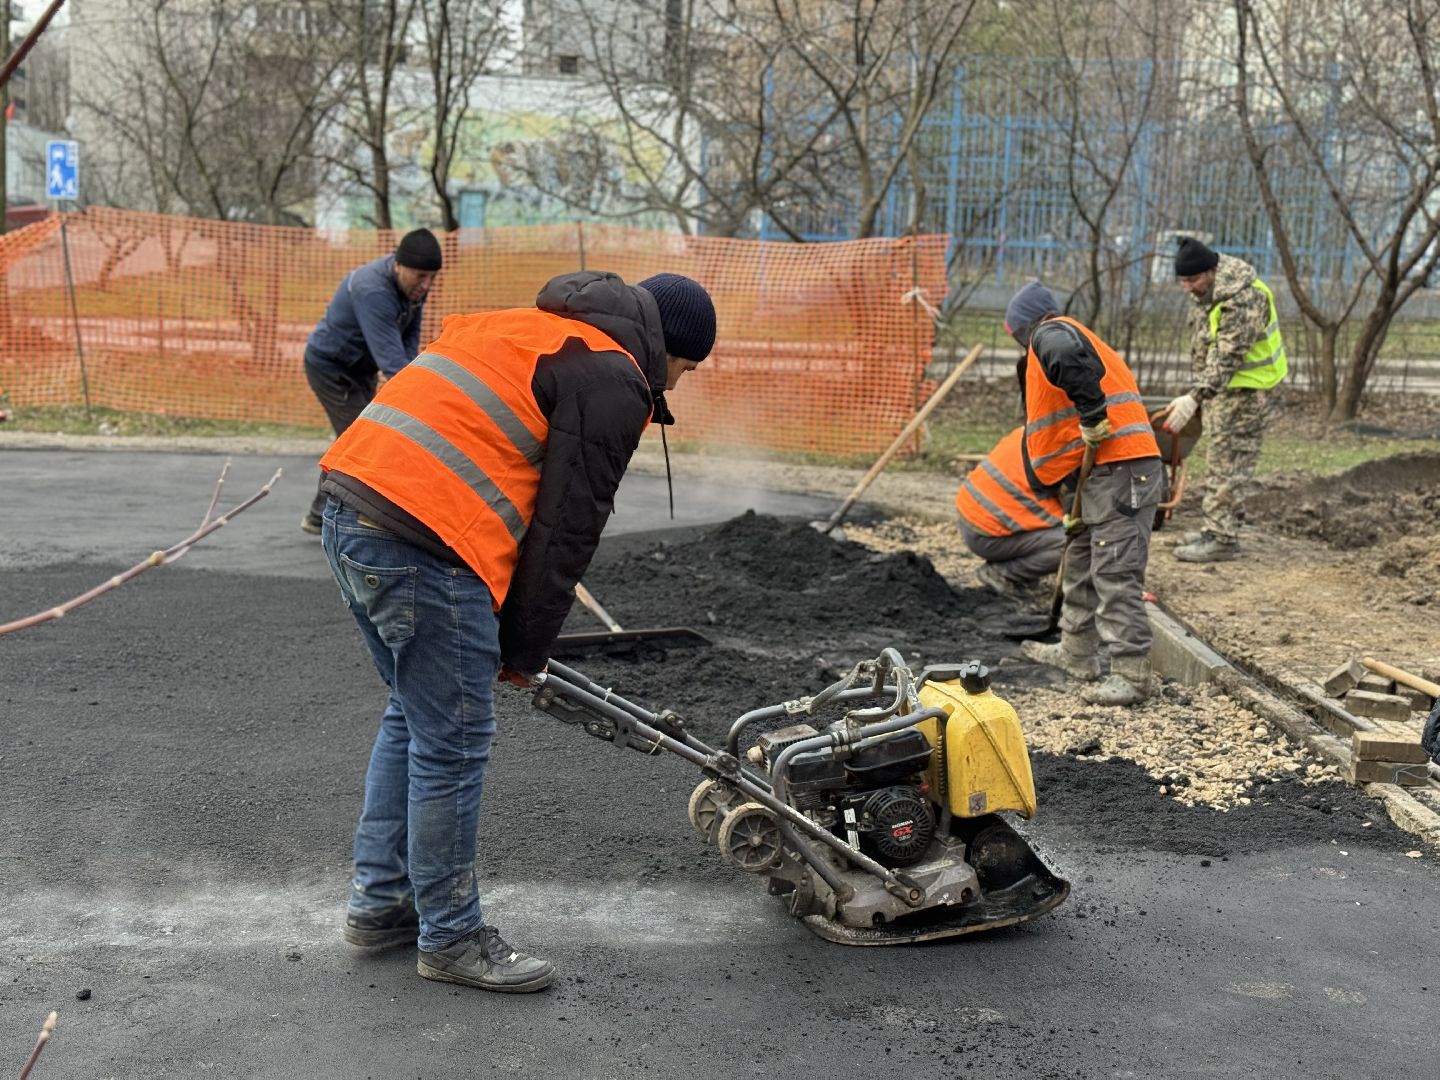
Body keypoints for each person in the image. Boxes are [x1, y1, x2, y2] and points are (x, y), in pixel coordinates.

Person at [317, 269, 715, 994]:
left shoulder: (527, 326)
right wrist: (522, 652)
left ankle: (383, 904)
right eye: (686, 369)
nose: (677, 388)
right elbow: (565, 532)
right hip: (421, 539)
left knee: (415, 716)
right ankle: (452, 937)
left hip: (350, 508)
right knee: (455, 741)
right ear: (671, 349)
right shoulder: (613, 377)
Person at [1003, 283, 1166, 706]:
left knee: (1114, 571)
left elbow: (1066, 358)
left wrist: (1093, 414)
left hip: (1121, 468)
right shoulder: (1061, 336)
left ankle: (1131, 674)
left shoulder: (1051, 332)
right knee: (1079, 561)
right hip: (1095, 475)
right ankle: (1077, 652)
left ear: (1025, 327)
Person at [300, 229, 444, 535]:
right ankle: (336, 518)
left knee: (354, 438)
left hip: (360, 368)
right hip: (331, 367)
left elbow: (408, 340)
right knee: (359, 439)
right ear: (398, 265)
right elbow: (391, 360)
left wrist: (416, 379)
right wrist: (425, 399)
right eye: (421, 276)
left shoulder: (413, 285)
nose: (426, 285)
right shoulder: (373, 291)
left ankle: (318, 513)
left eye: (432, 277)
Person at [1162, 236, 1287, 563]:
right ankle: (1218, 525)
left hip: (1249, 393)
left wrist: (1195, 396)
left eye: (1193, 280)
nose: (1187, 287)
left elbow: (1228, 356)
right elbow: (1208, 344)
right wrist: (1202, 391)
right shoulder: (1210, 291)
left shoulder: (1243, 299)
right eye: (1182, 281)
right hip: (1226, 390)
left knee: (1228, 464)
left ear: (1212, 270)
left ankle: (1221, 538)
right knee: (1221, 459)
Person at [957, 425, 1066, 598]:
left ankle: (1020, 569)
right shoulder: (1065, 451)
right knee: (1073, 543)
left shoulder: (1037, 427)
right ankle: (1004, 573)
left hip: (973, 515)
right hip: (987, 533)